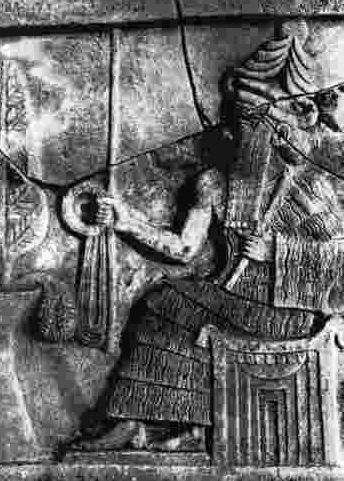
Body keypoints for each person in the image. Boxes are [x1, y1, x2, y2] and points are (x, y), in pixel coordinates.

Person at [72, 32, 344, 451]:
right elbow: (183, 249)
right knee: (162, 302)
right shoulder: (214, 184)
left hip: (285, 311)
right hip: (231, 296)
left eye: (250, 126)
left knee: (173, 306)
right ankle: (140, 423)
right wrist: (126, 222)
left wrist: (277, 253)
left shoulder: (306, 188)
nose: (236, 135)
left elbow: (339, 256)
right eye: (235, 124)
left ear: (275, 133)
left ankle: (183, 426)